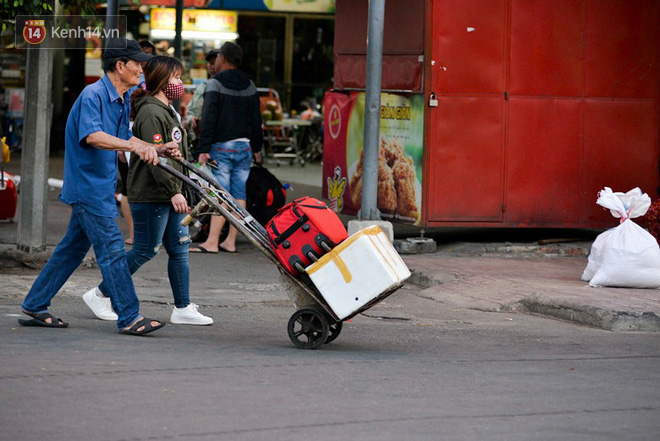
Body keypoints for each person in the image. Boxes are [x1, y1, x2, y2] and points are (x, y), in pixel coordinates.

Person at [18, 38, 179, 335]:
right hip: (87, 188)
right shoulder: (93, 95)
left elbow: (122, 144)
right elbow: (93, 137)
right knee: (113, 250)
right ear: (120, 65)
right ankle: (129, 316)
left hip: (100, 187)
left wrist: (157, 148)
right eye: (137, 64)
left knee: (71, 250)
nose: (141, 70)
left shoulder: (120, 99)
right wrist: (138, 146)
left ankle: (35, 303)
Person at [85, 55, 213, 326]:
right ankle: (100, 293)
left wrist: (188, 182)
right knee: (145, 250)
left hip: (169, 193)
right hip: (153, 193)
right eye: (176, 78)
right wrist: (174, 192)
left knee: (179, 248)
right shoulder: (152, 112)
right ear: (163, 81)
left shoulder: (166, 110)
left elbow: (175, 154)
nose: (180, 83)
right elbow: (158, 161)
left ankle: (182, 307)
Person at [191, 42, 263, 254]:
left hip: (221, 147)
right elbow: (256, 120)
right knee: (239, 194)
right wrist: (257, 147)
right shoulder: (250, 85)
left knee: (220, 194)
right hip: (244, 147)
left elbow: (209, 118)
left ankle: (212, 242)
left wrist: (202, 147)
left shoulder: (215, 84)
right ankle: (230, 241)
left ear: (222, 58)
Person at [185, 49, 217, 152]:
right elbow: (190, 112)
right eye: (210, 63)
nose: (212, 66)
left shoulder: (228, 89)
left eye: (215, 63)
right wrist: (191, 119)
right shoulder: (201, 88)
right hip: (200, 142)